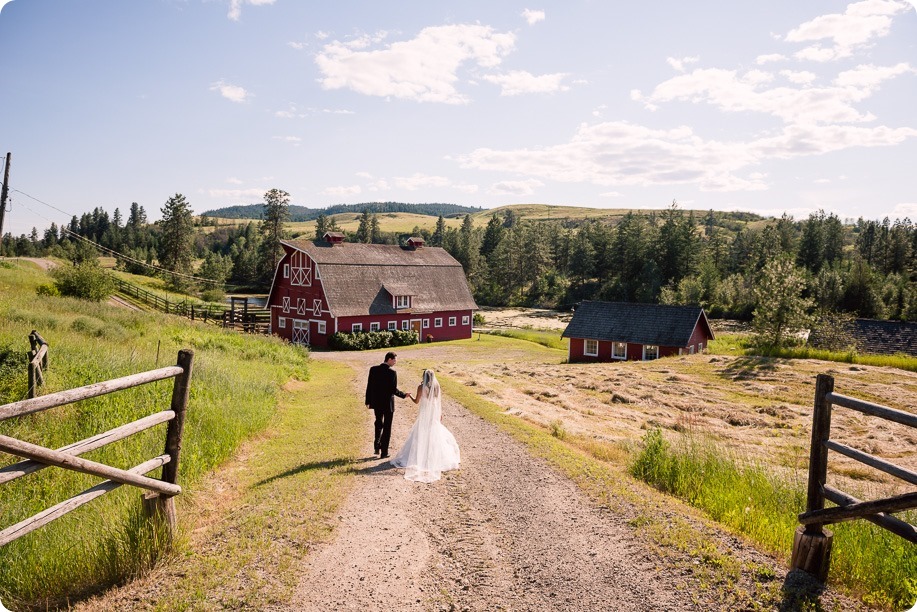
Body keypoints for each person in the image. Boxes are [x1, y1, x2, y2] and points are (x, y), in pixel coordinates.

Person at [391, 369, 460, 482]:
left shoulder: (421, 387)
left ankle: (421, 457)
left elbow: (416, 401)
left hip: (425, 413)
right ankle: (434, 457)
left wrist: (411, 396)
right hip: (433, 412)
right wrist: (439, 414)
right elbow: (437, 402)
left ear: (424, 376)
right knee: (434, 432)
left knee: (421, 433)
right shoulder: (436, 387)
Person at [365, 351, 408, 459]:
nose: (395, 362)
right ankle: (384, 452)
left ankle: (376, 445)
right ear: (389, 359)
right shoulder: (392, 373)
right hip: (388, 404)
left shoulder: (373, 369)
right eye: (394, 360)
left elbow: (369, 386)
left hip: (377, 403)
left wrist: (368, 401)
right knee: (387, 427)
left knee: (378, 423)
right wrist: (403, 395)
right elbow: (393, 390)